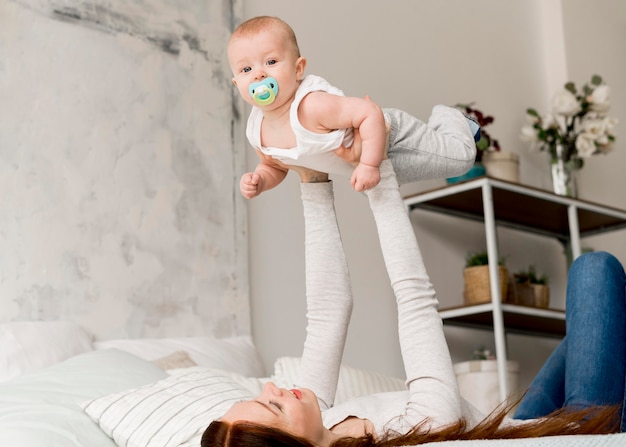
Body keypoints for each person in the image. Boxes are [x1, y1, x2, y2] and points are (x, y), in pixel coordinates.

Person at [201, 170, 622, 446]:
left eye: (261, 394)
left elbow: (329, 309)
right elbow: (416, 299)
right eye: (273, 406)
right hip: (579, 431)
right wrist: (381, 178)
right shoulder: (414, 435)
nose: (271, 388)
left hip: (520, 428)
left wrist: (313, 181)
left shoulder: (322, 419)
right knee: (595, 269)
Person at [227, 14, 478, 410]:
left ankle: (453, 119)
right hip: (352, 164)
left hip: (389, 140)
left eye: (270, 62)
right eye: (246, 69)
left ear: (298, 68)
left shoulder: (311, 107)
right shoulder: (257, 128)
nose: (259, 74)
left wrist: (370, 164)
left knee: (460, 157)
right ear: (237, 82)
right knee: (440, 165)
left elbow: (368, 114)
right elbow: (277, 165)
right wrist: (259, 179)